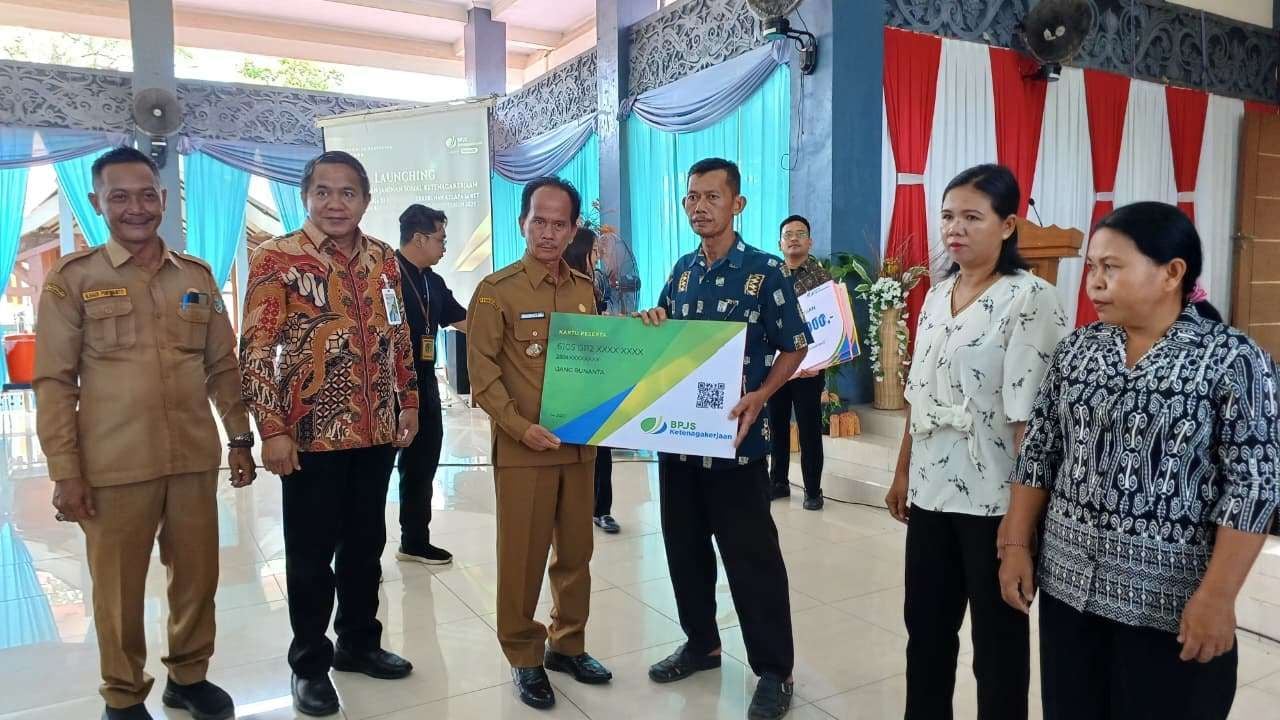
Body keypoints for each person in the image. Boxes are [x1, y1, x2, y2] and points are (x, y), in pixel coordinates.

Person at [998, 201, 1279, 720]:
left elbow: (1254, 486)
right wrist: (1016, 543)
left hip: (1170, 606)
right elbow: (1039, 450)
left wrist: (1218, 597)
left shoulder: (1233, 360)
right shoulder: (1078, 350)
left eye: (1111, 267)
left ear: (1172, 273)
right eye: (1091, 267)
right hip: (1069, 590)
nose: (1094, 282)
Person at [34, 146, 257, 720]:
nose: (135, 208)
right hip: (113, 464)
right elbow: (54, 381)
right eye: (119, 197)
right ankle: (123, 693)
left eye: (145, 195)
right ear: (96, 203)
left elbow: (222, 366)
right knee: (118, 590)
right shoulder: (73, 280)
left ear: (162, 199)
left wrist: (239, 438)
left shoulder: (196, 276)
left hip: (192, 459)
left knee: (198, 578)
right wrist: (65, 471)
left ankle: (188, 676)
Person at [239, 150, 420, 717]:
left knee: (365, 547)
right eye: (323, 191)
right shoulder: (277, 258)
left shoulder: (384, 259)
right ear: (306, 197)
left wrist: (410, 400)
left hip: (377, 430)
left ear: (365, 200)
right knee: (311, 557)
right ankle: (310, 665)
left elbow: (399, 335)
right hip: (310, 436)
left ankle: (359, 644)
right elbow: (256, 351)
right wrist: (272, 430)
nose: (335, 203)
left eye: (347, 192)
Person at [883, 164, 1066, 720]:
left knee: (998, 645)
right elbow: (919, 394)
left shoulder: (1031, 298)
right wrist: (902, 472)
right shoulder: (938, 295)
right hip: (931, 491)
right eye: (947, 217)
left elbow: (1033, 422)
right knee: (926, 632)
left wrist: (1020, 530)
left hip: (996, 501)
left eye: (971, 217)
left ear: (1008, 225)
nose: (955, 229)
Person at [637, 158, 811, 720]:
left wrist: (761, 394)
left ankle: (775, 671)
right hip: (680, 445)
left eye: (712, 197)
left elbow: (796, 346)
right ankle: (702, 644)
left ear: (737, 204)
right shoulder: (682, 271)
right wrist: (652, 321)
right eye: (693, 197)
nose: (700, 207)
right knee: (684, 552)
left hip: (738, 446)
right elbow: (665, 335)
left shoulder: (765, 271)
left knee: (752, 561)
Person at [467, 177, 613, 710]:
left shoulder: (584, 290)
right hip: (524, 449)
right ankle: (524, 656)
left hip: (578, 448)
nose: (548, 233)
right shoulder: (496, 291)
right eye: (539, 221)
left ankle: (567, 644)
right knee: (523, 557)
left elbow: (600, 360)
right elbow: (482, 374)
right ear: (522, 223)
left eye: (559, 224)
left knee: (576, 553)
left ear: (573, 230)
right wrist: (516, 425)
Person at [393, 204, 467, 565]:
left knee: (422, 466)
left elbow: (464, 320)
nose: (444, 247)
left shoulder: (432, 282)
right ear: (419, 239)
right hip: (386, 387)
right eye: (441, 239)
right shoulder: (384, 276)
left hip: (425, 384)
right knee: (373, 475)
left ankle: (414, 541)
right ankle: (361, 561)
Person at [768, 214, 832, 509]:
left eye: (800, 233)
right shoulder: (771, 277)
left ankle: (813, 490)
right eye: (788, 234)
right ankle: (778, 482)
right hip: (778, 366)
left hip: (809, 368)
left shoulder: (822, 279)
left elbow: (831, 324)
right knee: (777, 425)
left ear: (810, 242)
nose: (793, 238)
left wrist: (817, 362)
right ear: (780, 243)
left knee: (809, 430)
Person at [564, 226, 621, 534]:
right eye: (594, 250)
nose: (598, 256)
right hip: (570, 379)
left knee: (602, 449)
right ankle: (572, 510)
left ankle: (602, 509)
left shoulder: (594, 283)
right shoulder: (562, 286)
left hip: (597, 377)